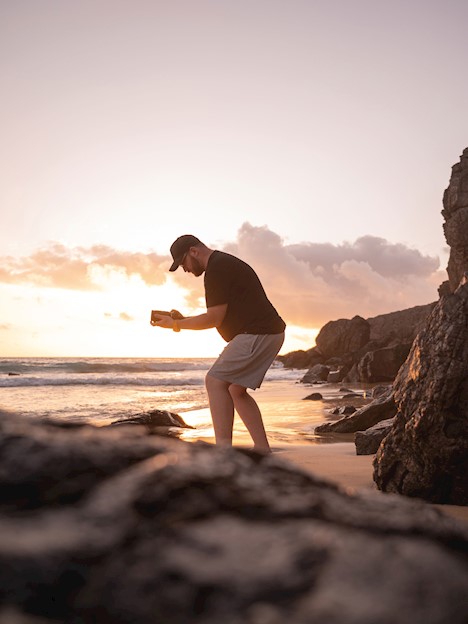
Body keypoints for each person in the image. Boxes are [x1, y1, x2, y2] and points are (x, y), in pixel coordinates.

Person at [152, 234, 286, 453]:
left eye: (183, 262)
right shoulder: (223, 264)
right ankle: (262, 449)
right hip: (268, 332)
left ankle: (222, 452)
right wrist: (181, 320)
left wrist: (176, 324)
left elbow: (213, 318)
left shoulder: (216, 269)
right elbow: (221, 314)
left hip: (257, 333)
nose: (185, 269)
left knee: (214, 382)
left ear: (193, 252)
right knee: (236, 390)